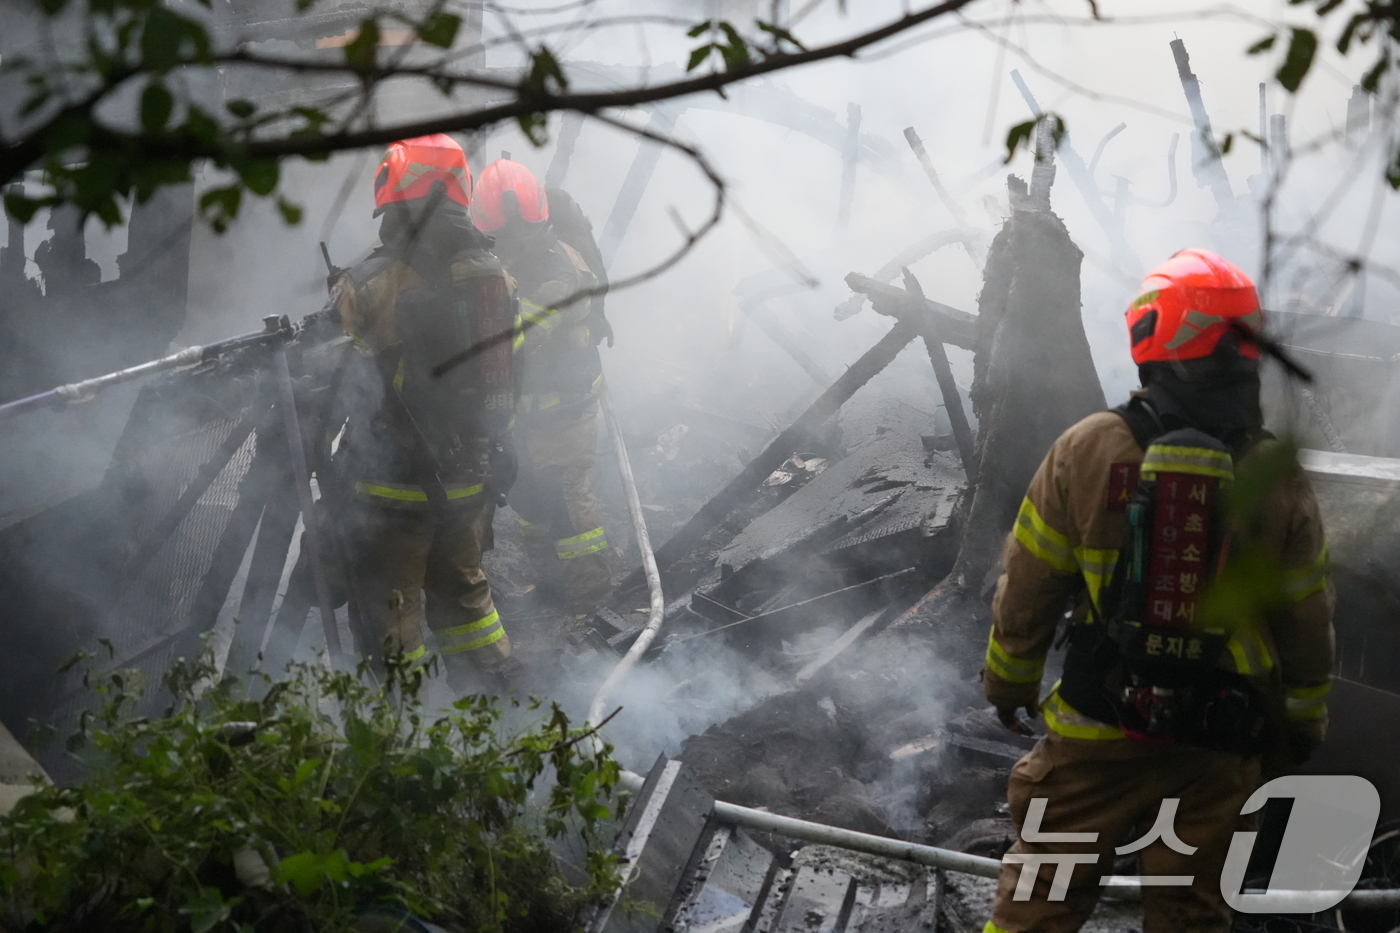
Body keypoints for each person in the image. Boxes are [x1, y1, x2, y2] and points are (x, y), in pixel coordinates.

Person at [980, 248, 1334, 933]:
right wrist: (1301, 723)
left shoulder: (1088, 447)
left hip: (1097, 727)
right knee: (1190, 915)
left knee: (1036, 901)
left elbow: (1029, 585)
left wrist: (1009, 682)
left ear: (1151, 336)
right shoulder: (1275, 475)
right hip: (1219, 743)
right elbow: (1306, 617)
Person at [329, 134, 518, 686]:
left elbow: (333, 382)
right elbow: (513, 366)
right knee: (465, 593)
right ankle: (493, 699)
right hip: (472, 473)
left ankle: (400, 721)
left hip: (390, 486)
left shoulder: (367, 282)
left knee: (391, 608)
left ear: (390, 195)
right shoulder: (495, 276)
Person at [470, 158, 613, 619]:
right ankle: (551, 585)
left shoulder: (560, 270)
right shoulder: (508, 260)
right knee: (530, 498)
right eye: (500, 232)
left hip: (564, 407)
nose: (508, 239)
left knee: (565, 498)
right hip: (527, 410)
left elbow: (517, 336)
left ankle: (590, 595)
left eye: (515, 230)